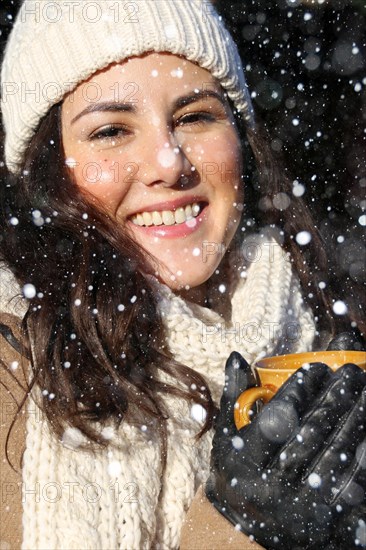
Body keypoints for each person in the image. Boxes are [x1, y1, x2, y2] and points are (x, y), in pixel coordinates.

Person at [0, 1, 364, 549]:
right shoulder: (15, 374)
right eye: (110, 131)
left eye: (195, 117)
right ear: (49, 176)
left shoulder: (325, 321)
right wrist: (237, 530)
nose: (170, 163)